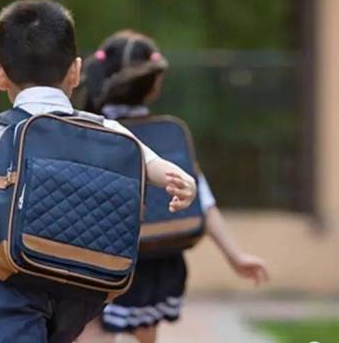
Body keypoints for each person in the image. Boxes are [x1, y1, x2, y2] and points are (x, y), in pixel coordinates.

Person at [0, 0, 198, 343]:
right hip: (86, 281)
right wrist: (183, 182)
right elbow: (154, 167)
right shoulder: (106, 130)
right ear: (75, 71)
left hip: (16, 278)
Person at [75, 30, 269, 343]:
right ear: (154, 85)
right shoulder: (168, 135)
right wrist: (235, 256)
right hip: (159, 262)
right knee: (145, 331)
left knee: (94, 331)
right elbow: (203, 201)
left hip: (104, 257)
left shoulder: (89, 132)